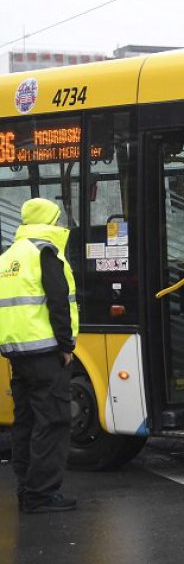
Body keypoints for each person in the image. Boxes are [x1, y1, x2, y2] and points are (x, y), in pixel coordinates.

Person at [0, 198, 79, 513]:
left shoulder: (9, 256)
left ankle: (26, 488)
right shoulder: (45, 252)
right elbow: (58, 302)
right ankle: (41, 495)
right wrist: (66, 346)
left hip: (17, 353)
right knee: (54, 421)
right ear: (50, 221)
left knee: (26, 421)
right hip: (46, 352)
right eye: (58, 219)